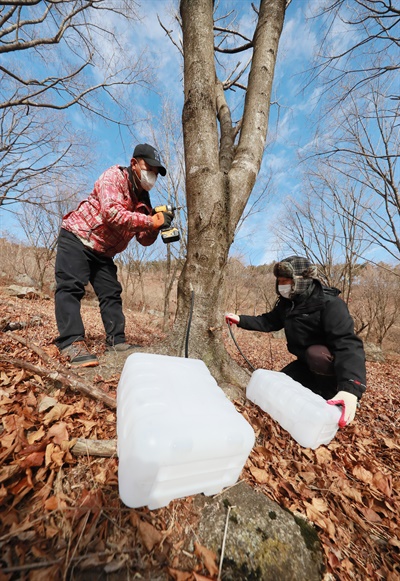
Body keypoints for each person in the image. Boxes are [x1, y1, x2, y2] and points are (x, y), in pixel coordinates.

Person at [54, 143, 172, 368]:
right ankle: (71, 342)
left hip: (104, 251)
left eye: (156, 172)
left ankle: (116, 342)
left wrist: (156, 226)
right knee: (71, 287)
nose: (152, 175)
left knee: (111, 294)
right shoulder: (113, 177)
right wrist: (150, 221)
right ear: (134, 164)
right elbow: (112, 214)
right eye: (150, 168)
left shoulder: (144, 200)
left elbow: (144, 240)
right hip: (79, 236)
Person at [225, 256, 366, 426]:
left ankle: (332, 395)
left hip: (330, 366)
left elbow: (347, 344)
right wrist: (240, 319)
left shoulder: (330, 304)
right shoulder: (287, 303)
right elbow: (269, 321)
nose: (282, 285)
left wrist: (351, 388)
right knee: (279, 387)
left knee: (315, 355)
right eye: (280, 281)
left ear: (302, 280)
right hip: (305, 363)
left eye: (287, 281)